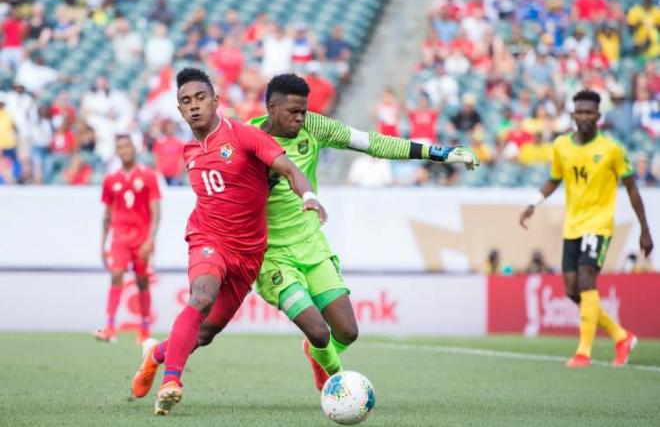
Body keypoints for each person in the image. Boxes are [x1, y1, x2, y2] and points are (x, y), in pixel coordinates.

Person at [134, 73, 479, 397]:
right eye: (294, 112)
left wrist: (438, 153)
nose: (301, 118)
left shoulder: (314, 126)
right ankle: (340, 386)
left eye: (304, 111)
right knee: (307, 330)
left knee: (347, 331)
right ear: (272, 109)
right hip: (270, 254)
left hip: (311, 245)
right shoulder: (249, 136)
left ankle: (315, 355)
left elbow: (371, 143)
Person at [132, 68, 326, 416]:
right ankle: (171, 382)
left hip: (248, 253)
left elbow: (289, 170)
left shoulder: (245, 136)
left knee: (203, 334)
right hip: (207, 238)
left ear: (216, 101)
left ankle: (156, 355)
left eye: (201, 98)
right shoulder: (189, 151)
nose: (194, 106)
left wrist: (309, 195)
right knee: (202, 295)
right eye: (186, 101)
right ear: (179, 110)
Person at [519, 90, 654, 368]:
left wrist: (645, 230)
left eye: (589, 112)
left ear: (598, 116)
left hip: (599, 224)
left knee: (586, 280)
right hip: (573, 225)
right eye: (579, 112)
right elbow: (554, 179)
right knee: (571, 290)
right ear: (572, 115)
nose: (584, 116)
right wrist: (534, 203)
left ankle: (584, 351)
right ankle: (621, 335)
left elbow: (632, 189)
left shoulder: (612, 149)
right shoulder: (561, 146)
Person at [95, 135, 161, 344]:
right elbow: (106, 214)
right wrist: (102, 243)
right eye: (120, 147)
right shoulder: (110, 179)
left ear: (135, 148)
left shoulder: (148, 176)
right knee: (116, 275)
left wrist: (150, 239)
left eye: (127, 146)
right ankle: (110, 326)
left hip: (142, 239)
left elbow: (156, 211)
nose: (124, 150)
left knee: (142, 281)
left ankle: (144, 329)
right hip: (119, 238)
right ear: (117, 151)